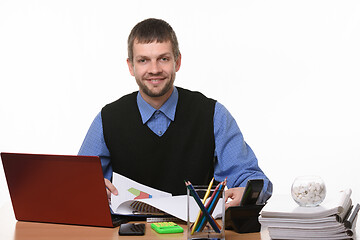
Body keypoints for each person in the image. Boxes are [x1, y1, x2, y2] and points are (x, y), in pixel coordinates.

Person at [79, 18, 272, 209]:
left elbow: (252, 179)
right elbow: (77, 183)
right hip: (130, 233)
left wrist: (247, 192)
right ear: (131, 66)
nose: (154, 70)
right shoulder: (108, 119)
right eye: (143, 60)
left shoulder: (212, 114)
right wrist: (89, 189)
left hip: (194, 233)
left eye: (163, 59)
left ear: (177, 62)